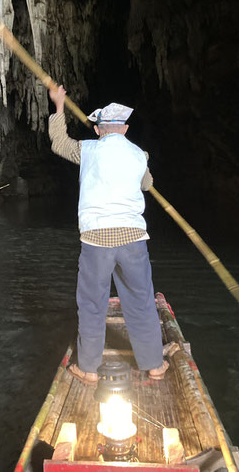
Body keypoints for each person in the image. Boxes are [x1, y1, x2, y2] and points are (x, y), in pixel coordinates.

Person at [48, 85, 168, 385]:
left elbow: (59, 143)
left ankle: (88, 368)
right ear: (125, 129)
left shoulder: (88, 150)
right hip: (132, 238)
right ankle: (154, 365)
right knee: (141, 301)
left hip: (97, 239)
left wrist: (59, 105)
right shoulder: (139, 155)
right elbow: (147, 183)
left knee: (92, 303)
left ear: (99, 129)